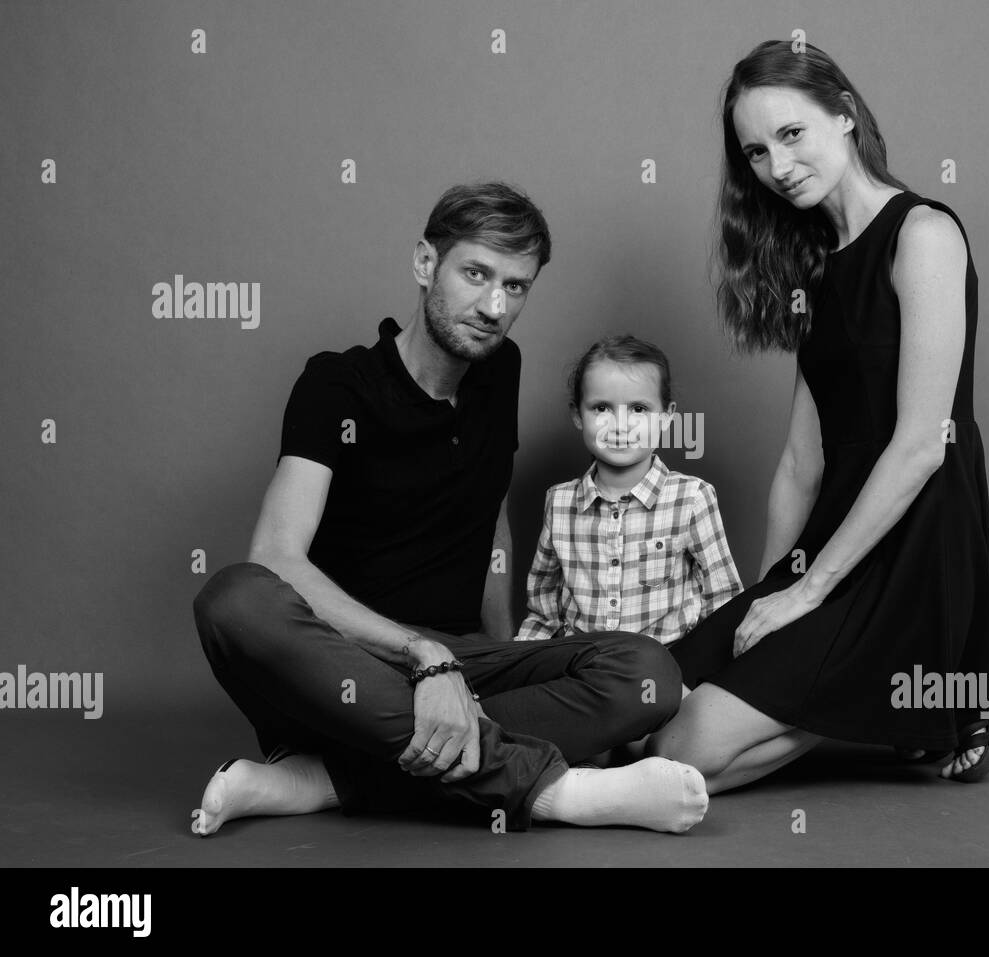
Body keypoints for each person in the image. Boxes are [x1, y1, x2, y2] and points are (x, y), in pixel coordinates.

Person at [190, 182, 708, 835]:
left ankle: (326, 778)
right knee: (233, 597)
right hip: (345, 668)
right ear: (424, 263)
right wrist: (421, 655)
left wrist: (493, 651)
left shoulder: (499, 369)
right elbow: (276, 555)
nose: (493, 306)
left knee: (648, 673)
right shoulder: (336, 386)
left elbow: (489, 509)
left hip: (465, 664)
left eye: (515, 287)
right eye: (476, 274)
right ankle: (556, 791)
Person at [648, 41, 989, 792]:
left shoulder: (923, 234)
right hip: (828, 542)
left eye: (791, 135)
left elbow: (922, 446)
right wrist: (766, 599)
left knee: (681, 749)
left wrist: (809, 593)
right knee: (645, 704)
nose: (777, 166)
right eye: (756, 151)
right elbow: (802, 460)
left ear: (846, 115)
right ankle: (910, 706)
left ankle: (943, 693)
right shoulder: (818, 266)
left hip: (914, 539)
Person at [513, 336, 743, 647]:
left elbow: (724, 600)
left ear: (666, 416)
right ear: (578, 415)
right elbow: (544, 610)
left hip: (667, 664)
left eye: (638, 408)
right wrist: (520, 663)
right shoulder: (560, 502)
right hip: (583, 667)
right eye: (602, 408)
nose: (620, 425)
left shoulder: (691, 498)